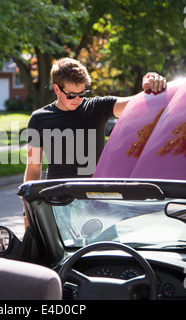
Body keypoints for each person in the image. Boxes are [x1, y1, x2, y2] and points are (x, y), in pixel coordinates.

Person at [23, 58, 166, 228]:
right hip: (59, 207)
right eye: (71, 95)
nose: (77, 99)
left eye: (82, 93)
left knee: (105, 253)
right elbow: (33, 168)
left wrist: (151, 83)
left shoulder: (97, 107)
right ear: (56, 89)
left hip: (97, 203)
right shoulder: (39, 119)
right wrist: (27, 211)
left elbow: (137, 104)